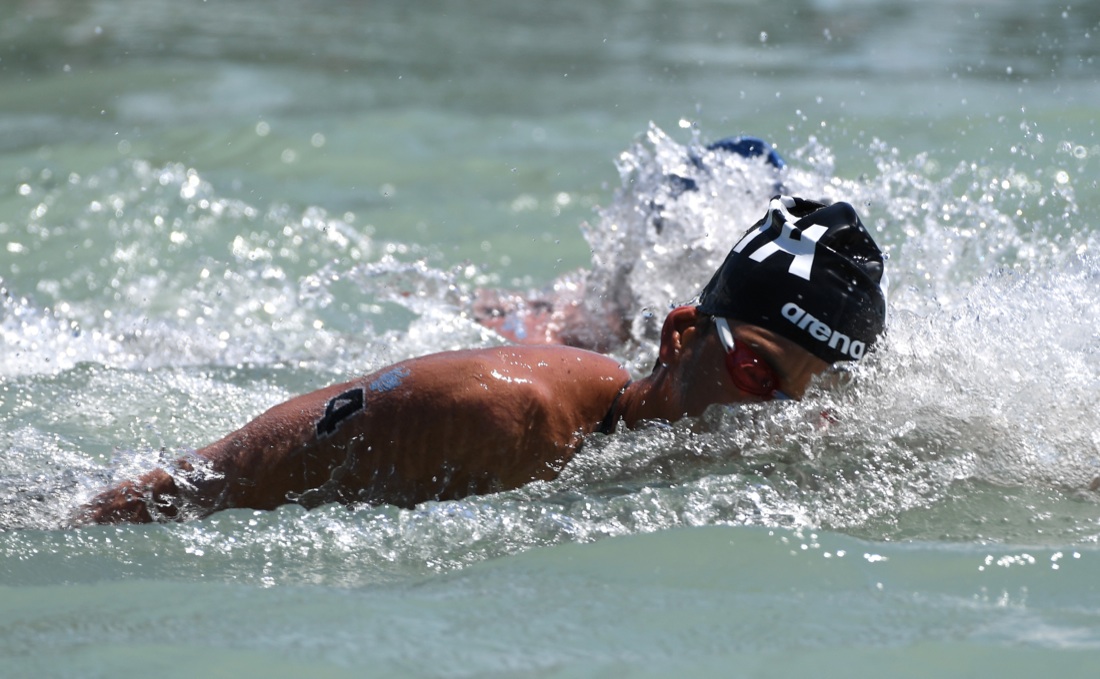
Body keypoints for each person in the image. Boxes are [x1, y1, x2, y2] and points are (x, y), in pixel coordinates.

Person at [73, 195, 887, 526]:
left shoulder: (794, 458)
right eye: (759, 371)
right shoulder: (497, 413)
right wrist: (72, 525)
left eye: (819, 395)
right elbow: (208, 483)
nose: (777, 415)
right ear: (679, 336)